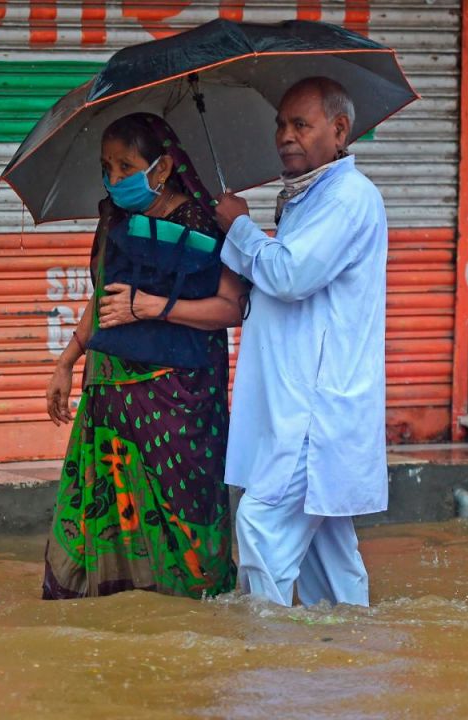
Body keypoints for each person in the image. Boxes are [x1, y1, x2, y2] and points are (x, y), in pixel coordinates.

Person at [42, 112, 248, 600]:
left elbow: (231, 307)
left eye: (125, 167)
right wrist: (67, 361)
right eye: (106, 167)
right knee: (105, 511)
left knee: (183, 521)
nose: (114, 179)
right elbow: (103, 298)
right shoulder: (114, 217)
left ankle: (186, 610)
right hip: (110, 402)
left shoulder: (205, 222)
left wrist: (152, 307)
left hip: (179, 403)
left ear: (162, 167)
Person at [213, 77, 388, 607]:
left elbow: (289, 275)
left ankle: (261, 664)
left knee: (262, 523)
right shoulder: (310, 198)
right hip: (300, 406)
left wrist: (239, 228)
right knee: (329, 568)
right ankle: (347, 672)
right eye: (281, 124)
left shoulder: (348, 198)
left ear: (339, 130)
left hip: (314, 412)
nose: (284, 136)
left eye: (300, 124)